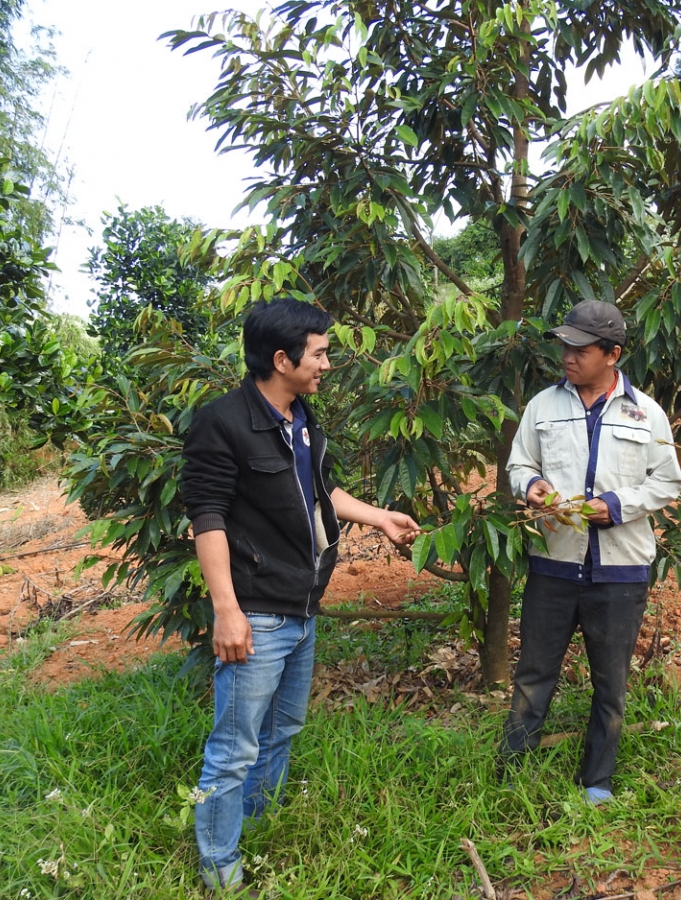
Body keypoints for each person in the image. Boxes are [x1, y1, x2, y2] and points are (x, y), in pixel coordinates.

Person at [181, 298, 419, 897]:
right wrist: (228, 612)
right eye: (320, 353)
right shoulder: (223, 422)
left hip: (302, 602)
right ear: (282, 359)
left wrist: (379, 517)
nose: (327, 364)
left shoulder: (301, 416)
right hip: (256, 610)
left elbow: (321, 489)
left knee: (283, 727)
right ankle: (218, 864)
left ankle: (260, 820)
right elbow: (206, 518)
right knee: (234, 746)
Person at [499, 299, 681, 805]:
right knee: (535, 671)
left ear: (612, 354)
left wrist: (618, 506)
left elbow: (668, 481)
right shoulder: (543, 406)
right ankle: (511, 770)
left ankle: (596, 781)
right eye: (565, 345)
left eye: (580, 348)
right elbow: (519, 465)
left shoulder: (647, 414)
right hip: (554, 563)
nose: (568, 356)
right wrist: (532, 485)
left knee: (611, 681)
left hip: (620, 570)